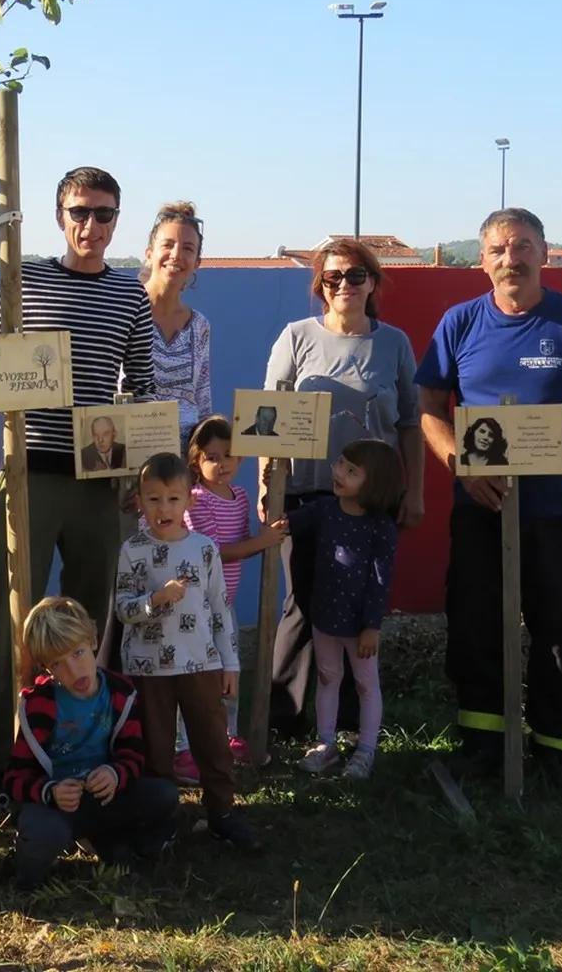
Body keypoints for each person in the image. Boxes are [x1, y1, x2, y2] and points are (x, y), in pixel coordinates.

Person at [415, 207, 562, 797]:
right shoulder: (460, 323)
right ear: (481, 261)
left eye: (521, 246)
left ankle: (558, 748)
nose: (510, 258)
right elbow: (429, 409)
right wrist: (462, 466)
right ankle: (483, 744)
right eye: (498, 249)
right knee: (476, 627)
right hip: (482, 507)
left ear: (543, 252)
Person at [0, 166, 156, 780]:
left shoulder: (131, 296)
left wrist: (138, 477)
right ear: (60, 216)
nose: (91, 224)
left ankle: (83, 757)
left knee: (86, 629)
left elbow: (142, 388)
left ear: (117, 219)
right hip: (27, 475)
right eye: (79, 212)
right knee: (10, 623)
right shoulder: (23, 279)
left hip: (99, 484)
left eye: (103, 213)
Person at [261, 237, 424, 744]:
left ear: (373, 282)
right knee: (301, 606)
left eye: (355, 275)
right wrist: (268, 489)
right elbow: (267, 418)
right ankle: (283, 721)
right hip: (305, 495)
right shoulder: (296, 337)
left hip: (371, 503)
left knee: (357, 607)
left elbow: (411, 423)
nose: (344, 285)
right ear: (320, 285)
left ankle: (352, 725)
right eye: (333, 277)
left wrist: (415, 491)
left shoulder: (394, 344)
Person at [115, 452, 263, 853]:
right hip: (148, 668)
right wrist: (155, 600)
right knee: (156, 749)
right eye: (153, 499)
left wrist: (230, 664)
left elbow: (220, 609)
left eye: (173, 499)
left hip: (201, 664)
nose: (163, 509)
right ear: (139, 501)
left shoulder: (204, 549)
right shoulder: (132, 550)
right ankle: (160, 820)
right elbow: (123, 609)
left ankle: (222, 815)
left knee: (213, 743)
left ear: (189, 501)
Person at [4, 595, 179, 889]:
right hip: (60, 807)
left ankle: (107, 841)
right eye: (58, 663)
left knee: (164, 794)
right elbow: (14, 780)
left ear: (94, 641)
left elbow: (133, 756)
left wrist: (115, 773)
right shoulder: (38, 706)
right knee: (42, 837)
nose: (74, 671)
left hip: (104, 798)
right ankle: (28, 865)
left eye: (78, 653)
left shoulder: (120, 692)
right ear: (46, 668)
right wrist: (50, 791)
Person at [172, 415, 288, 780]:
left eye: (229, 455)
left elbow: (243, 538)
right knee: (192, 674)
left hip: (224, 605)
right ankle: (183, 746)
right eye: (212, 457)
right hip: (195, 606)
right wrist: (263, 542)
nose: (222, 464)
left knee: (229, 669)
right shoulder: (196, 500)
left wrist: (268, 512)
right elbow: (216, 551)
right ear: (196, 461)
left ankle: (228, 734)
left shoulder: (239, 496)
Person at [290, 439, 404, 780]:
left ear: (375, 483)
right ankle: (325, 745)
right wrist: (271, 496)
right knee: (327, 678)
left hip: (359, 625)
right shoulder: (325, 509)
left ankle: (366, 750)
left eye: (351, 471)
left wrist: (372, 626)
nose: (339, 473)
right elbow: (288, 522)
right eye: (340, 463)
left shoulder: (380, 527)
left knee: (366, 685)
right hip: (325, 615)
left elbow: (380, 581)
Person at [139, 201, 211, 451]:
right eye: (167, 245)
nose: (176, 255)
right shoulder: (124, 311)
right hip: (131, 461)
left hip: (183, 465)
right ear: (149, 253)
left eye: (188, 248)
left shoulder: (200, 325)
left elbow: (202, 399)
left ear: (197, 262)